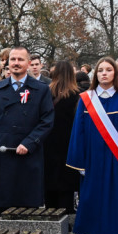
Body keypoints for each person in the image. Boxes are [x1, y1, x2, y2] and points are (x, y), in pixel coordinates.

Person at [66, 57, 118, 234]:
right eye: (100, 70)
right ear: (95, 74)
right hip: (92, 160)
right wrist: (79, 160)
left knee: (116, 200)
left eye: (109, 70)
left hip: (116, 161)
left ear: (115, 74)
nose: (104, 73)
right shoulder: (86, 99)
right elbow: (78, 132)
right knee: (93, 198)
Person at [0, 46, 55, 214]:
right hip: (3, 153)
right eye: (13, 59)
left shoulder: (41, 89)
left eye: (20, 60)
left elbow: (47, 121)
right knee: (3, 208)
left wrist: (29, 143)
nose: (16, 63)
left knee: (27, 208)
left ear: (28, 63)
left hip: (29, 154)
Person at [44, 61, 81, 212]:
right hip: (68, 144)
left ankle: (50, 214)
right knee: (66, 185)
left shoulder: (46, 92)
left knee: (49, 182)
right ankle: (64, 217)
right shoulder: (77, 95)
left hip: (48, 142)